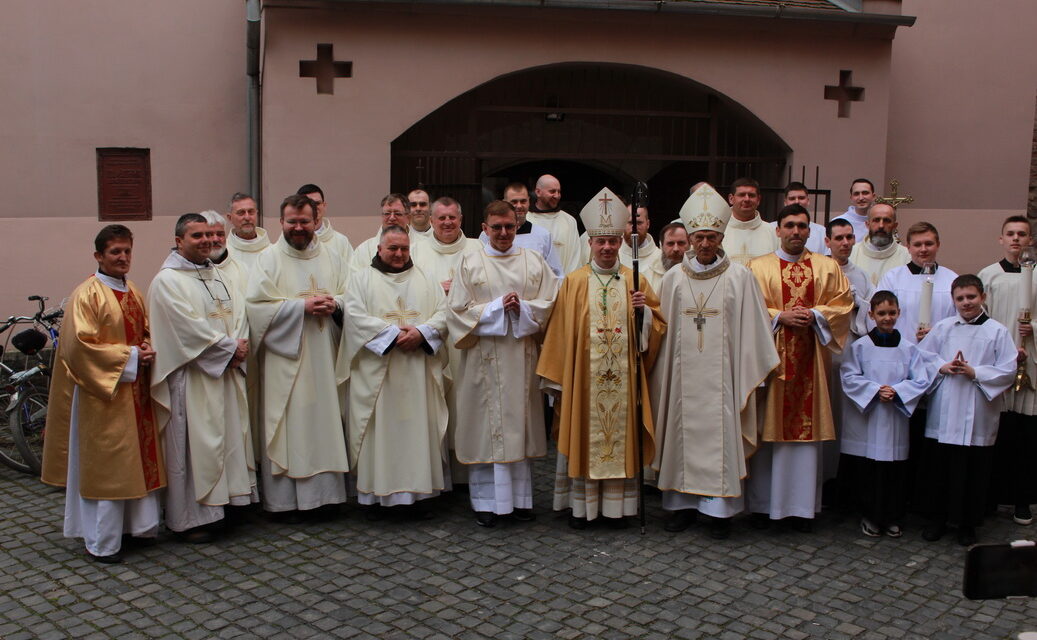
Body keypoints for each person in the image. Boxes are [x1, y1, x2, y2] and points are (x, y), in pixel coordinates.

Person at [650, 184, 778, 539]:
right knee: (679, 429)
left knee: (721, 433)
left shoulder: (740, 278)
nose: (705, 244)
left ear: (722, 236)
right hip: (681, 379)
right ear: (689, 238)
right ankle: (680, 506)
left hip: (724, 380)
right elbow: (661, 329)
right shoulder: (674, 279)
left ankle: (719, 510)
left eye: (711, 236)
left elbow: (754, 331)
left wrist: (752, 374)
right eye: (699, 237)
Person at [537, 187, 665, 529]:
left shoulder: (634, 282)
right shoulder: (574, 283)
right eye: (600, 242)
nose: (607, 247)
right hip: (585, 385)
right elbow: (561, 335)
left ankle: (617, 510)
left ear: (620, 242)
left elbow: (656, 330)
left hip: (624, 384)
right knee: (584, 433)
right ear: (590, 244)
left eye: (612, 241)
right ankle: (583, 509)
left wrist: (645, 316)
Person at [41, 225, 165, 564]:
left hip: (134, 393)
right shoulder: (87, 294)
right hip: (103, 397)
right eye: (115, 252)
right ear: (99, 255)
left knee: (136, 461)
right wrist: (133, 356)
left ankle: (136, 529)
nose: (123, 258)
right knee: (109, 468)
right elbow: (78, 348)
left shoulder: (134, 291)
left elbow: (147, 330)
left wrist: (147, 346)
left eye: (127, 251)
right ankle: (102, 540)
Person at [447, 201, 559, 527]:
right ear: (484, 229)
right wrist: (497, 308)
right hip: (483, 360)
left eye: (509, 226)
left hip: (521, 359)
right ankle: (486, 503)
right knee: (486, 432)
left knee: (518, 429)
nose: (503, 233)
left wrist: (522, 309)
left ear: (517, 225)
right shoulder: (470, 261)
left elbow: (550, 304)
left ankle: (520, 501)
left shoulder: (534, 261)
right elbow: (455, 310)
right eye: (496, 227)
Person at [148, 213, 257, 542]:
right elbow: (185, 329)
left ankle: (232, 505)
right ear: (179, 241)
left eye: (212, 234)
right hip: (193, 377)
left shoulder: (217, 275)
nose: (208, 240)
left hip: (224, 373)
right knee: (198, 445)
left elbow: (239, 313)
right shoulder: (166, 281)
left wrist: (237, 345)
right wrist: (228, 349)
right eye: (197, 236)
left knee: (231, 439)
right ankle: (193, 519)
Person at [747, 204, 853, 530]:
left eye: (802, 226)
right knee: (770, 437)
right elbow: (747, 309)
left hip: (811, 368)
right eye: (790, 225)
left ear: (810, 231)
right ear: (777, 230)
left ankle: (802, 510)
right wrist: (779, 316)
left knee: (804, 442)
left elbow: (843, 303)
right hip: (771, 368)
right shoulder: (757, 267)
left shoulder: (826, 267)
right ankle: (765, 509)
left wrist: (816, 315)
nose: (796, 232)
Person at [247, 194, 350, 519]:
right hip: (285, 361)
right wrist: (299, 308)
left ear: (315, 220)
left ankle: (327, 498)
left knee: (324, 423)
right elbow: (255, 308)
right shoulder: (268, 259)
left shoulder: (333, 257)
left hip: (325, 356)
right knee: (289, 426)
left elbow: (353, 296)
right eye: (292, 221)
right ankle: (286, 503)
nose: (298, 228)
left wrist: (336, 305)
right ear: (281, 223)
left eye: (304, 221)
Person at [339, 225, 450, 517]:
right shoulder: (362, 280)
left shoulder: (426, 279)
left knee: (417, 432)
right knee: (381, 435)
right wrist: (392, 334)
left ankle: (420, 495)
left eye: (404, 248)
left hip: (418, 374)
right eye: (393, 249)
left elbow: (444, 312)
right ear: (379, 249)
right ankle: (377, 498)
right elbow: (354, 317)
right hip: (379, 377)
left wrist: (422, 333)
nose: (399, 254)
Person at [916, 275, 1016, 546]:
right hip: (945, 409)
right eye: (960, 298)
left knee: (973, 472)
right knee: (940, 469)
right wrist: (942, 367)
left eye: (971, 297)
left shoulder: (997, 331)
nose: (966, 303)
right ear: (953, 300)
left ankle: (967, 524)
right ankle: (937, 519)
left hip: (978, 412)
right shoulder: (944, 327)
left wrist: (975, 372)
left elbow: (1008, 369)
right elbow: (923, 357)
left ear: (982, 297)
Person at [839, 291, 936, 538]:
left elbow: (921, 379)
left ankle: (893, 516)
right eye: (881, 313)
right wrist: (874, 391)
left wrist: (898, 391)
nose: (887, 318)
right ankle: (870, 515)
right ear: (871, 315)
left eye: (892, 313)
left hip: (894, 418)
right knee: (869, 470)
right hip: (869, 419)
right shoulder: (860, 347)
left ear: (899, 313)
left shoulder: (908, 348)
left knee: (894, 472)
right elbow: (849, 377)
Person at [411, 197, 482, 482]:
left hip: (469, 341)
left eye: (452, 217)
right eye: (441, 218)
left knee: (467, 404)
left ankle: (467, 474)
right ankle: (439, 473)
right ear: (431, 220)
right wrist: (437, 290)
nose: (447, 223)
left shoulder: (478, 248)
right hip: (435, 341)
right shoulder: (416, 251)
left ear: (461, 219)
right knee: (436, 403)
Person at [978, 216, 1037, 525]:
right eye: (1010, 234)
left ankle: (1022, 499)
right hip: (999, 363)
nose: (1016, 239)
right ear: (1001, 239)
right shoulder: (988, 276)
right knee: (996, 432)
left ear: (1030, 240)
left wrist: (1033, 329)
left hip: (1032, 365)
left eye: (1022, 234)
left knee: (1027, 435)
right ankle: (990, 495)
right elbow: (980, 320)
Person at [876, 222, 959, 343]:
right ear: (908, 247)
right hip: (901, 349)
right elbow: (879, 317)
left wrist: (937, 334)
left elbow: (961, 321)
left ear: (938, 245)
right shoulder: (892, 279)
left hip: (941, 352)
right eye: (917, 245)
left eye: (929, 244)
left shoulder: (952, 280)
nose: (923, 249)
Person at [485, 182, 562, 277]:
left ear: (529, 201)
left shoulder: (543, 235)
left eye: (523, 201)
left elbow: (555, 274)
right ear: (504, 202)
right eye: (514, 202)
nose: (519, 206)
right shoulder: (488, 233)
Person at [351, 193, 426, 270]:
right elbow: (356, 278)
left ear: (408, 218)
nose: (392, 218)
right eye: (387, 213)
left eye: (397, 214)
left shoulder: (423, 246)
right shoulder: (364, 250)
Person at [525, 174, 582, 274]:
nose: (557, 195)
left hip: (563, 286)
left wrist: (567, 285)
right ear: (538, 192)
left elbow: (575, 258)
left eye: (559, 192)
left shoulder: (569, 221)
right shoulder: (526, 219)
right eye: (552, 191)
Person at [848, 203, 910, 287]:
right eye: (876, 220)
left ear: (895, 226)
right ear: (867, 224)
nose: (881, 226)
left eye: (887, 221)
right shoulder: (851, 253)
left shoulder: (907, 257)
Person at [722, 177, 778, 266]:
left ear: (758, 200)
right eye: (741, 195)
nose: (747, 199)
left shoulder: (773, 232)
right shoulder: (719, 230)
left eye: (751, 195)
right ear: (731, 199)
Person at [298, 184, 355, 268]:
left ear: (324, 206)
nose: (313, 207)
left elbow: (351, 275)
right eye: (307, 203)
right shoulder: (290, 241)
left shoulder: (341, 242)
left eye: (317, 203)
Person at [768, 182, 828, 255]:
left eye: (801, 198)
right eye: (792, 198)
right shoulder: (770, 228)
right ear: (785, 202)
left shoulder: (821, 231)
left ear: (808, 201)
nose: (797, 202)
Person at [225, 192, 270, 268]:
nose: (247, 217)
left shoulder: (271, 251)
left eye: (251, 212)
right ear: (230, 218)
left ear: (257, 214)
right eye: (241, 213)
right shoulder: (224, 252)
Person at [832, 178, 877, 243]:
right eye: (856, 194)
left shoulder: (881, 221)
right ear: (851, 198)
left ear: (873, 196)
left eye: (865, 193)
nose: (861, 198)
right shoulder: (838, 222)